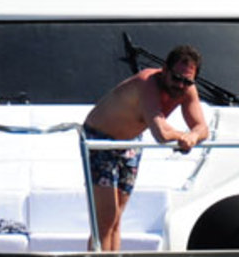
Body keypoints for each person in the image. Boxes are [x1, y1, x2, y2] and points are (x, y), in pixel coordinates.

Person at [83, 45, 209, 251]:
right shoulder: (147, 84)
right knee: (105, 219)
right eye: (176, 78)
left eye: (187, 81)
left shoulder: (187, 90)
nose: (180, 85)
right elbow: (161, 133)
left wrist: (192, 136)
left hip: (131, 143)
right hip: (101, 141)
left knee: (117, 218)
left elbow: (202, 128)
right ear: (165, 70)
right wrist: (183, 136)